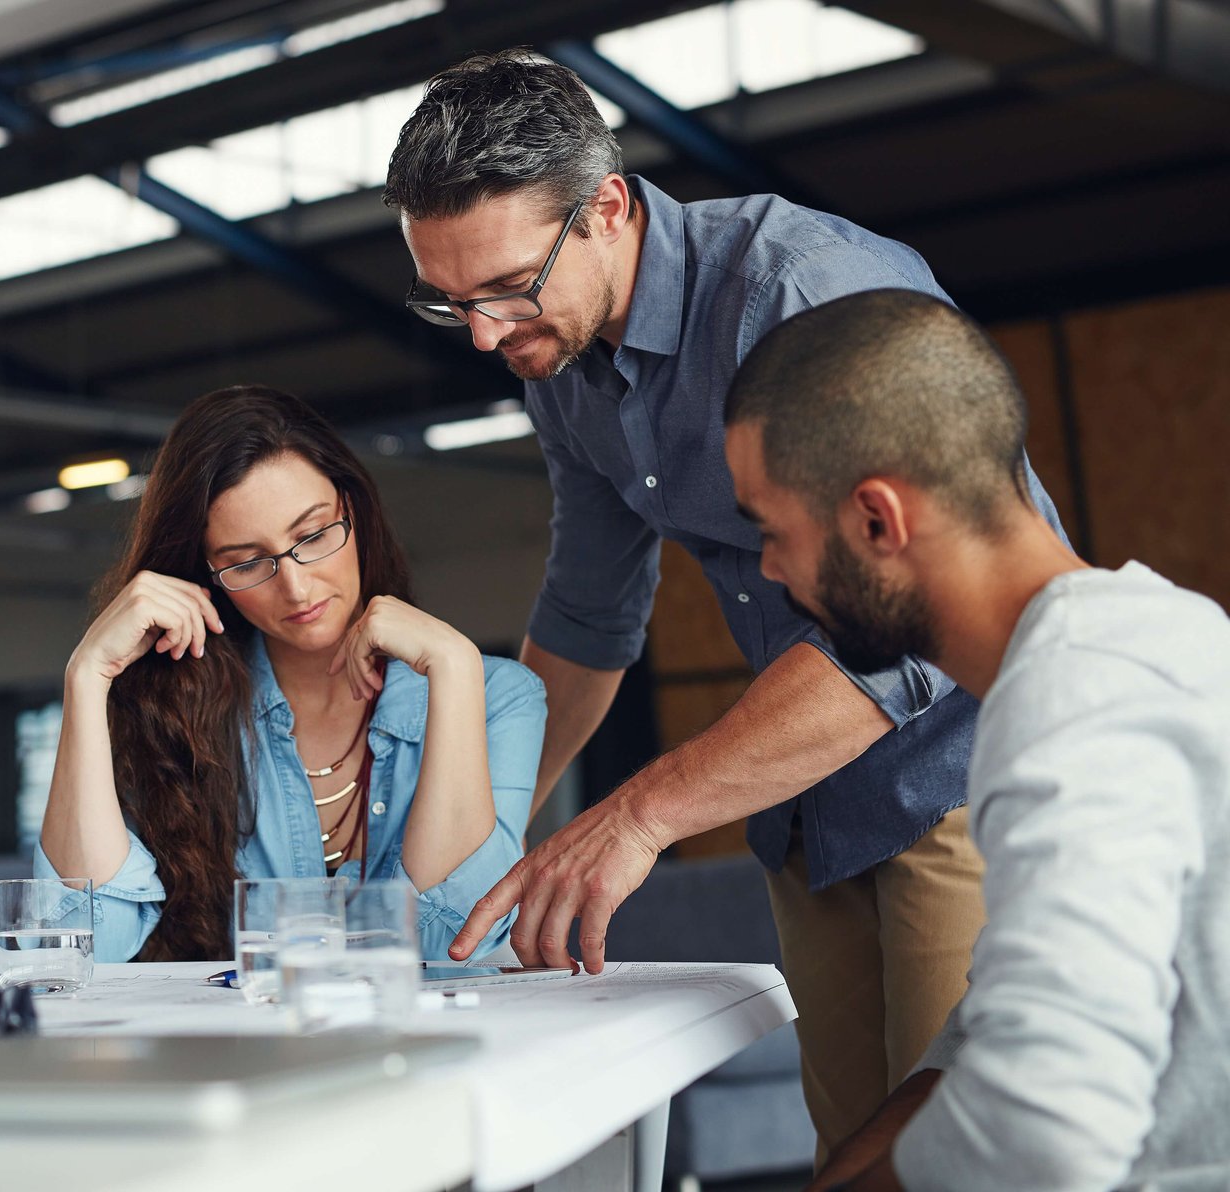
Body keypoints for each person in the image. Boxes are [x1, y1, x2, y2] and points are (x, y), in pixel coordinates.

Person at [383, 49, 1066, 1154]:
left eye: (507, 287)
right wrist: (490, 827)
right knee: (853, 1151)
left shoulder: (802, 292)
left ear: (605, 207)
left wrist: (640, 813)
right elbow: (588, 613)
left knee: (967, 1159)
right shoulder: (559, 366)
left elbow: (908, 626)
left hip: (965, 771)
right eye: (449, 300)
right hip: (809, 809)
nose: (484, 334)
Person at [725, 288, 1230, 1192]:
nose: (767, 570)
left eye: (773, 533)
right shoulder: (1139, 637)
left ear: (878, 521)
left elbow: (1045, 1132)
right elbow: (1000, 1018)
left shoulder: (1078, 701)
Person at [37, 385, 545, 962]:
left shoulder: (498, 696)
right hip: (242, 1049)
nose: (296, 587)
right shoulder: (171, 705)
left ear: (353, 510)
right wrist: (87, 676)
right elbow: (83, 943)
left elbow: (454, 940)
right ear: (205, 575)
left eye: (312, 536)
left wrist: (454, 668)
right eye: (248, 562)